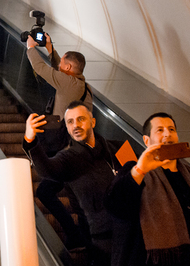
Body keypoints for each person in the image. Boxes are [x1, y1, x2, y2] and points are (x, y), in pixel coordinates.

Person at [105, 113, 190, 266]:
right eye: (160, 130)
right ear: (147, 140)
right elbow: (115, 206)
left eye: (171, 129)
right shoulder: (134, 171)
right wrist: (140, 169)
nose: (167, 134)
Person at [25, 102, 118, 263]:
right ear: (67, 128)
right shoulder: (68, 158)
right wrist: (30, 139)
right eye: (70, 122)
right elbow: (47, 169)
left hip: (132, 229)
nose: (76, 125)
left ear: (93, 122)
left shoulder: (118, 147)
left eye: (81, 119)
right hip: (100, 238)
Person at [26, 32, 94, 253]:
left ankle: (80, 236)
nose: (60, 66)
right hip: (75, 149)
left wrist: (30, 48)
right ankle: (81, 237)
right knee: (72, 196)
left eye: (63, 63)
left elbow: (43, 69)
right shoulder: (80, 83)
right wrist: (51, 49)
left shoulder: (68, 84)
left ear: (68, 69)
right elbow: (59, 69)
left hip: (69, 151)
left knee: (47, 192)